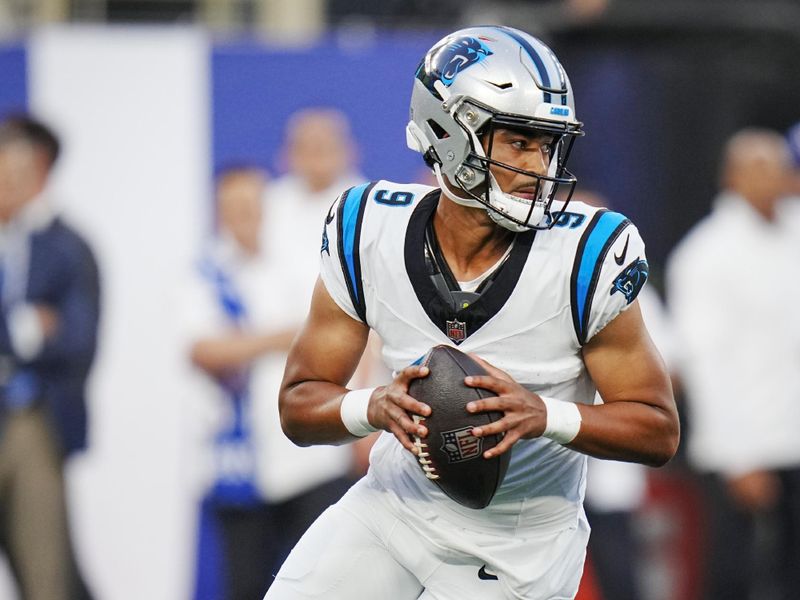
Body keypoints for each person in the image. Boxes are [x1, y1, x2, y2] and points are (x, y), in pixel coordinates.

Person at [265, 26, 679, 600]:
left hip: (520, 545)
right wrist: (373, 407)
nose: (541, 164)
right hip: (393, 509)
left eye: (549, 144)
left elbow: (658, 429)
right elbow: (297, 405)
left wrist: (546, 415)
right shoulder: (368, 229)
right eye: (520, 142)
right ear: (449, 134)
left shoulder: (587, 253)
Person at [182, 166, 355, 600]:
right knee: (246, 585)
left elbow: (346, 331)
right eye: (235, 207)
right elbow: (202, 349)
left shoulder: (305, 262)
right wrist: (280, 337)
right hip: (238, 462)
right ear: (218, 211)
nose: (246, 216)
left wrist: (245, 342)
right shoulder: (205, 272)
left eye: (253, 205)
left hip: (312, 458)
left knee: (324, 583)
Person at [666, 128, 800, 600]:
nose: (775, 177)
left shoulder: (794, 236)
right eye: (760, 167)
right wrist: (739, 458)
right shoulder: (706, 256)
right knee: (737, 575)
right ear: (732, 177)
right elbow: (706, 367)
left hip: (794, 439)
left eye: (780, 165)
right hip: (745, 447)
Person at [0, 115, 99, 599]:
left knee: (46, 573)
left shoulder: (64, 247)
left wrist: (32, 335)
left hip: (32, 418)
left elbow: (78, 339)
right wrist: (28, 325)